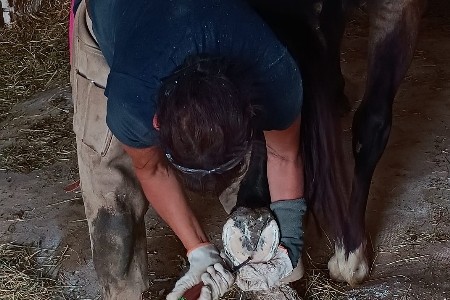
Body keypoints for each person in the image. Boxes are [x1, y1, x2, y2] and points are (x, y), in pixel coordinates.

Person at [70, 0, 307, 299]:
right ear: (156, 123)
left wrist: (290, 244)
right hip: (113, 21)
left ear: (249, 111)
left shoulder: (273, 72)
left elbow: (284, 155)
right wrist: (198, 250)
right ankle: (124, 292)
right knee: (110, 180)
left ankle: (268, 267)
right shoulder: (132, 100)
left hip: (211, 27)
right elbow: (152, 168)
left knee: (248, 170)